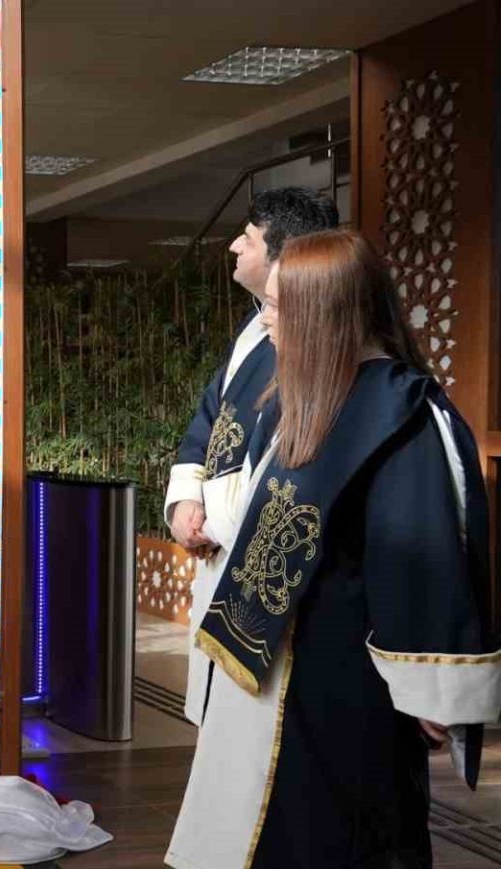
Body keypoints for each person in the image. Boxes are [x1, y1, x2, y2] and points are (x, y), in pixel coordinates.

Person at [166, 229, 500, 868]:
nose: (266, 321)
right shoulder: (301, 396)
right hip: (273, 669)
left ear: (322, 313)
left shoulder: (403, 412)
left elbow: (419, 553)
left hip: (344, 682)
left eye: (277, 306)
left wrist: (430, 691)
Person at [164, 187, 339, 724]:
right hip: (217, 552)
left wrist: (220, 521)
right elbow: (209, 418)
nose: (234, 246)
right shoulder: (253, 328)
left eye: (248, 237)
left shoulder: (321, 346)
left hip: (263, 569)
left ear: (287, 254)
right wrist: (185, 501)